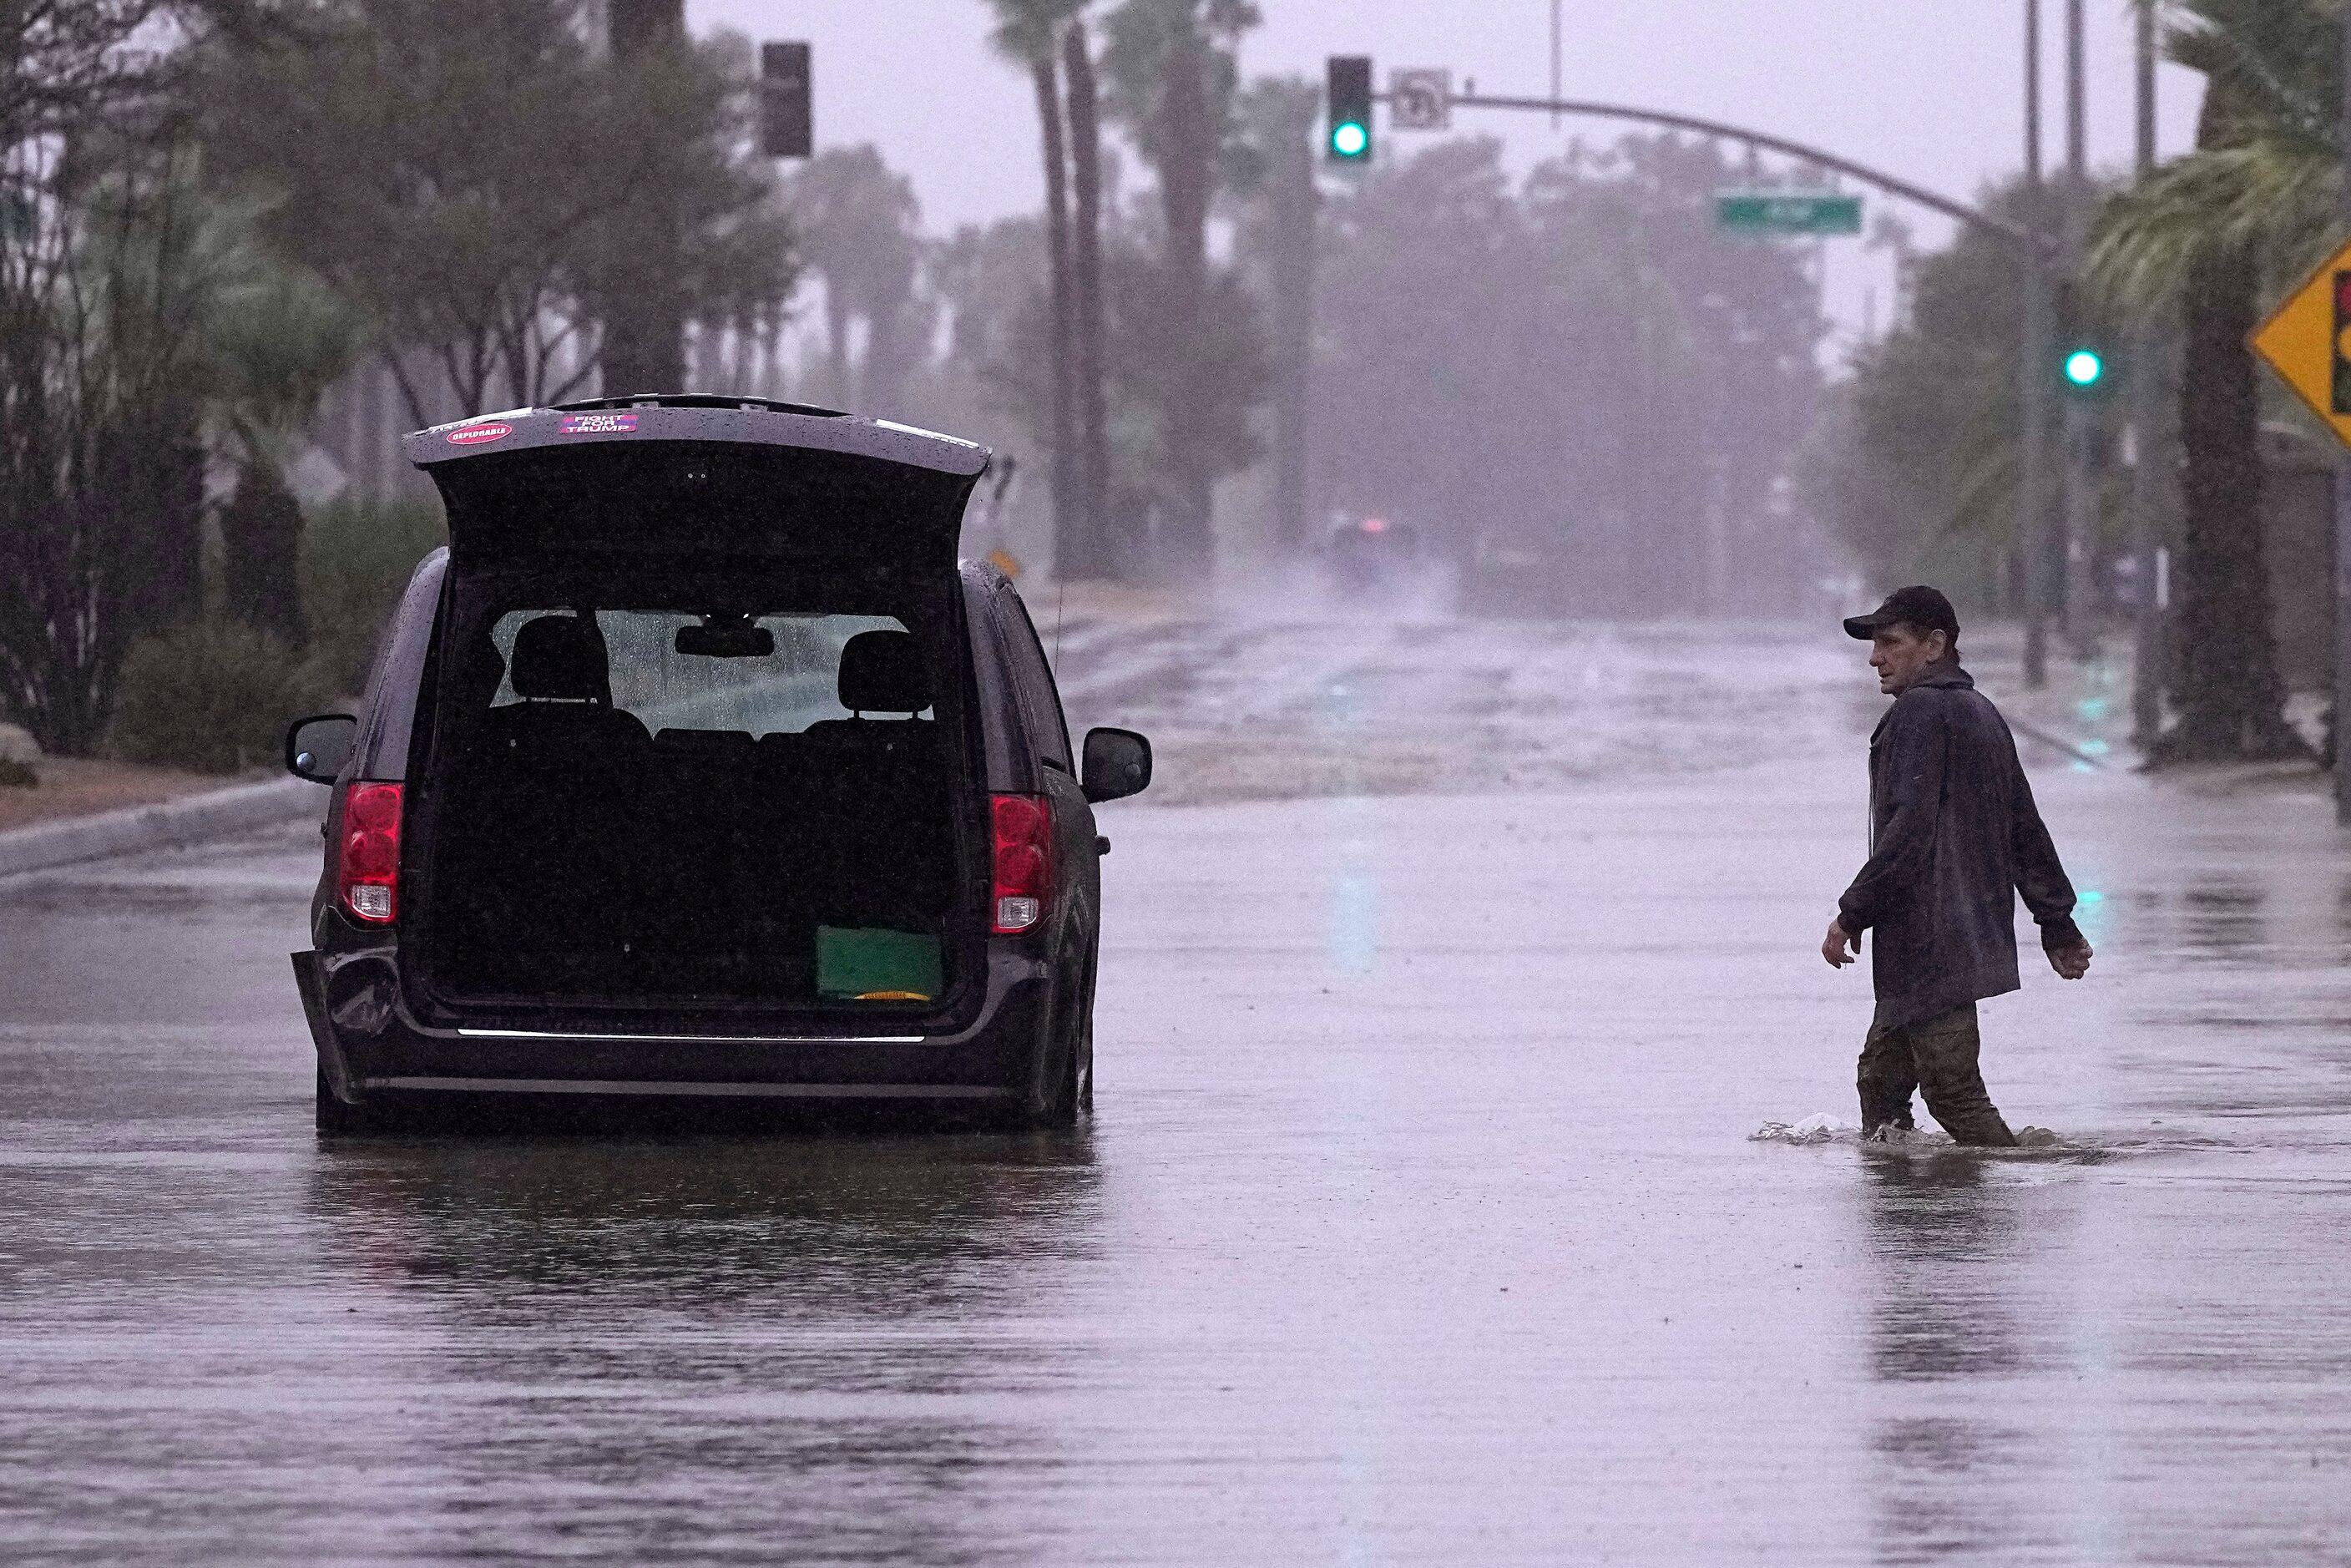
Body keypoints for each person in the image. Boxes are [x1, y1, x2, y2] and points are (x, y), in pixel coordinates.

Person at [1821, 587, 2092, 1146]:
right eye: (1875, 645)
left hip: (1930, 941)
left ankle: (1986, 1214)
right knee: (1881, 1081)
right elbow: (2025, 827)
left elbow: (1908, 833)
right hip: (1961, 935)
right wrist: (2056, 921)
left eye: (1890, 643)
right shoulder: (1980, 712)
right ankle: (1905, 1205)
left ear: (1934, 645)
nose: (1875, 658)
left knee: (1952, 1092)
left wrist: (1852, 914)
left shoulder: (1920, 713)